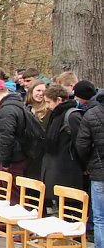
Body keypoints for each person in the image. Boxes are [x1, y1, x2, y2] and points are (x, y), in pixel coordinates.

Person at [42, 84, 85, 215]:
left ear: (59, 100)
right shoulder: (54, 115)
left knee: (73, 208)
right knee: (62, 208)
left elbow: (81, 143)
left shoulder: (72, 116)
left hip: (69, 169)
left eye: (49, 102)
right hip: (57, 169)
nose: (48, 106)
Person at [74, 90, 104, 248]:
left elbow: (82, 144)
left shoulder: (92, 114)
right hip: (98, 169)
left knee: (100, 218)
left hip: (99, 172)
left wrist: (87, 164)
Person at [0, 79, 28, 204]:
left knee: (11, 196)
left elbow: (6, 137)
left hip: (11, 161)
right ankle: (0, 223)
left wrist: (5, 161)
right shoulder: (13, 106)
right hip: (11, 158)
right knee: (0, 194)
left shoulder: (8, 110)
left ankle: (11, 223)